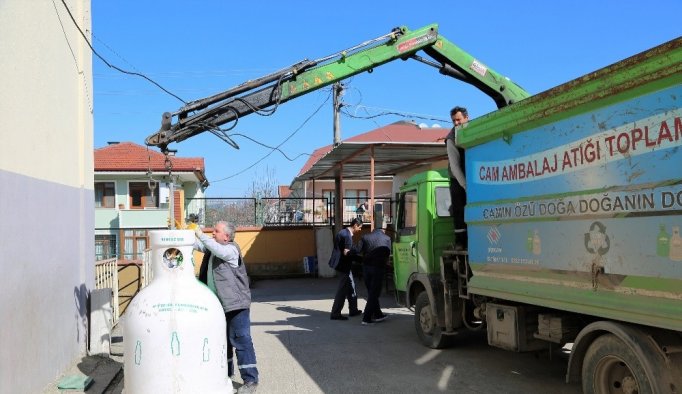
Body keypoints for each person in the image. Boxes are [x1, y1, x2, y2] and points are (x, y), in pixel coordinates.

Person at [194, 221, 259, 394]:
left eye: (216, 231)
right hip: (219, 305)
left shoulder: (230, 249)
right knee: (222, 341)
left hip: (236, 305)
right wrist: (182, 232)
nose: (213, 233)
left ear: (226, 236)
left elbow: (214, 247)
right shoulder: (214, 249)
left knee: (241, 340)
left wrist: (200, 233)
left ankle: (250, 380)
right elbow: (198, 244)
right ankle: (226, 375)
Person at [355, 220, 391, 326]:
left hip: (366, 268)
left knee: (371, 292)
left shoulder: (365, 237)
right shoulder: (387, 239)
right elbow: (387, 255)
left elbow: (357, 250)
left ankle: (378, 314)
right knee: (373, 294)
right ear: (383, 228)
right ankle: (366, 318)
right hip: (378, 269)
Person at [328, 218, 364, 320]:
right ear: (355, 225)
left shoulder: (342, 232)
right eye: (360, 227)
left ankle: (353, 310)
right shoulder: (347, 235)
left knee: (351, 286)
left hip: (341, 265)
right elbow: (346, 252)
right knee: (342, 290)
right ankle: (335, 313)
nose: (360, 230)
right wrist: (360, 257)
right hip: (344, 266)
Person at [447, 106, 469, 250]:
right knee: (460, 210)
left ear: (467, 118)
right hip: (458, 179)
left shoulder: (475, 129)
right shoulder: (451, 138)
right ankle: (461, 242)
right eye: (454, 121)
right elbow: (455, 167)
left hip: (470, 176)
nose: (456, 123)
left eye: (458, 120)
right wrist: (466, 186)